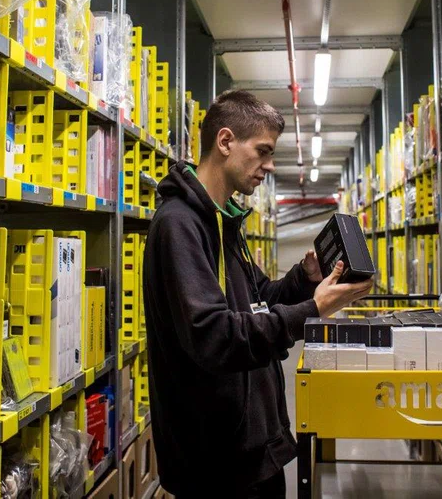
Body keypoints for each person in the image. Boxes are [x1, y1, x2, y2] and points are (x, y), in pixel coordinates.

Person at [143, 90, 373, 498]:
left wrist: (305, 278)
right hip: (216, 463)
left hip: (248, 448)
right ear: (226, 141)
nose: (270, 165)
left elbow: (259, 298)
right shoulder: (180, 225)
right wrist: (313, 309)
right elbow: (214, 336)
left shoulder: (222, 220)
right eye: (263, 151)